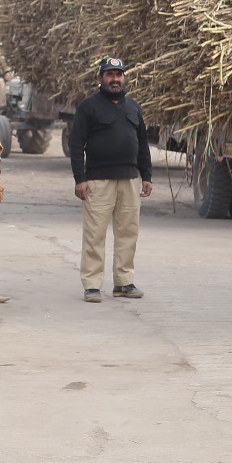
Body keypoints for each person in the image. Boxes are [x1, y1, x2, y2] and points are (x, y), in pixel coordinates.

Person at [69, 57, 152, 303]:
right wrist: (80, 178)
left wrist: (146, 176)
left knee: (128, 233)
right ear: (100, 78)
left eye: (119, 74)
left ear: (124, 77)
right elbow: (76, 145)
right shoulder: (88, 107)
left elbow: (143, 145)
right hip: (98, 181)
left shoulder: (133, 107)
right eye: (109, 74)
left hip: (129, 180)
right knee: (94, 235)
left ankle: (124, 283)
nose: (115, 79)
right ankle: (92, 285)